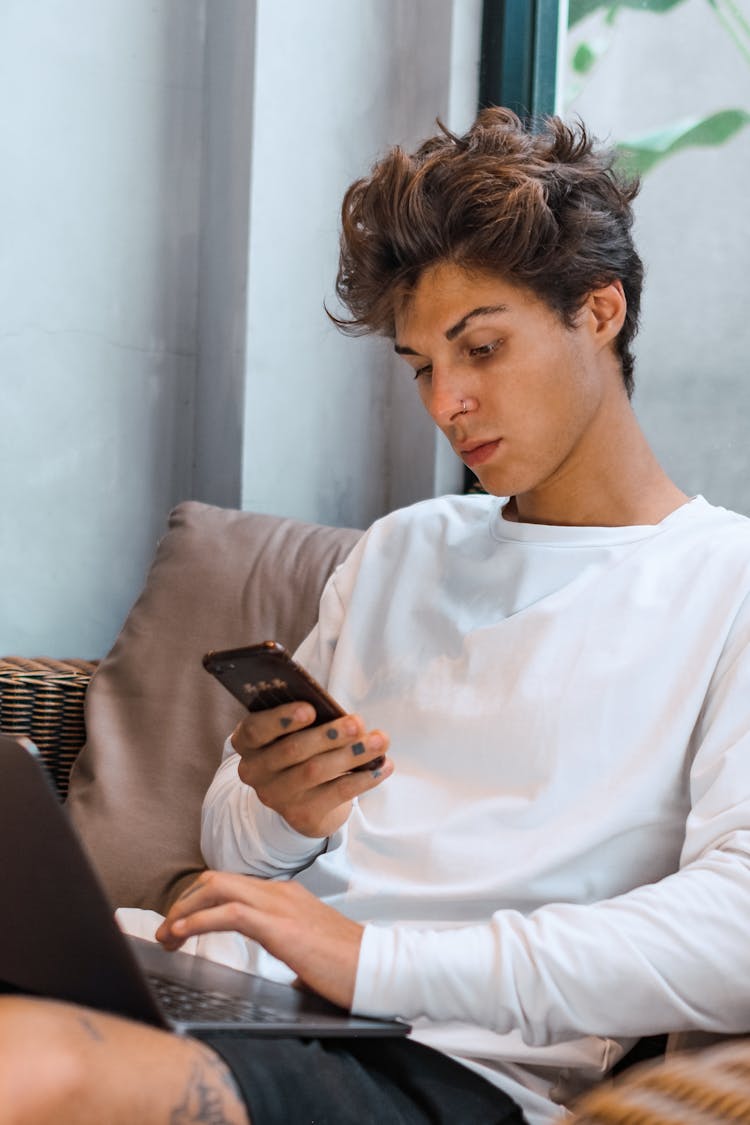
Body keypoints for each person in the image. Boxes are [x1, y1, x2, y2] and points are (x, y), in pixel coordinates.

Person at [2, 107, 750, 1125]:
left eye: (481, 349)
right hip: (235, 991)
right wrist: (285, 813)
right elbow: (236, 842)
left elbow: (736, 927)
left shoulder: (725, 580)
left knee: (29, 1075)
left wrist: (375, 960)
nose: (447, 402)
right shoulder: (405, 546)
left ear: (601, 312)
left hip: (443, 1063)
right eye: (420, 367)